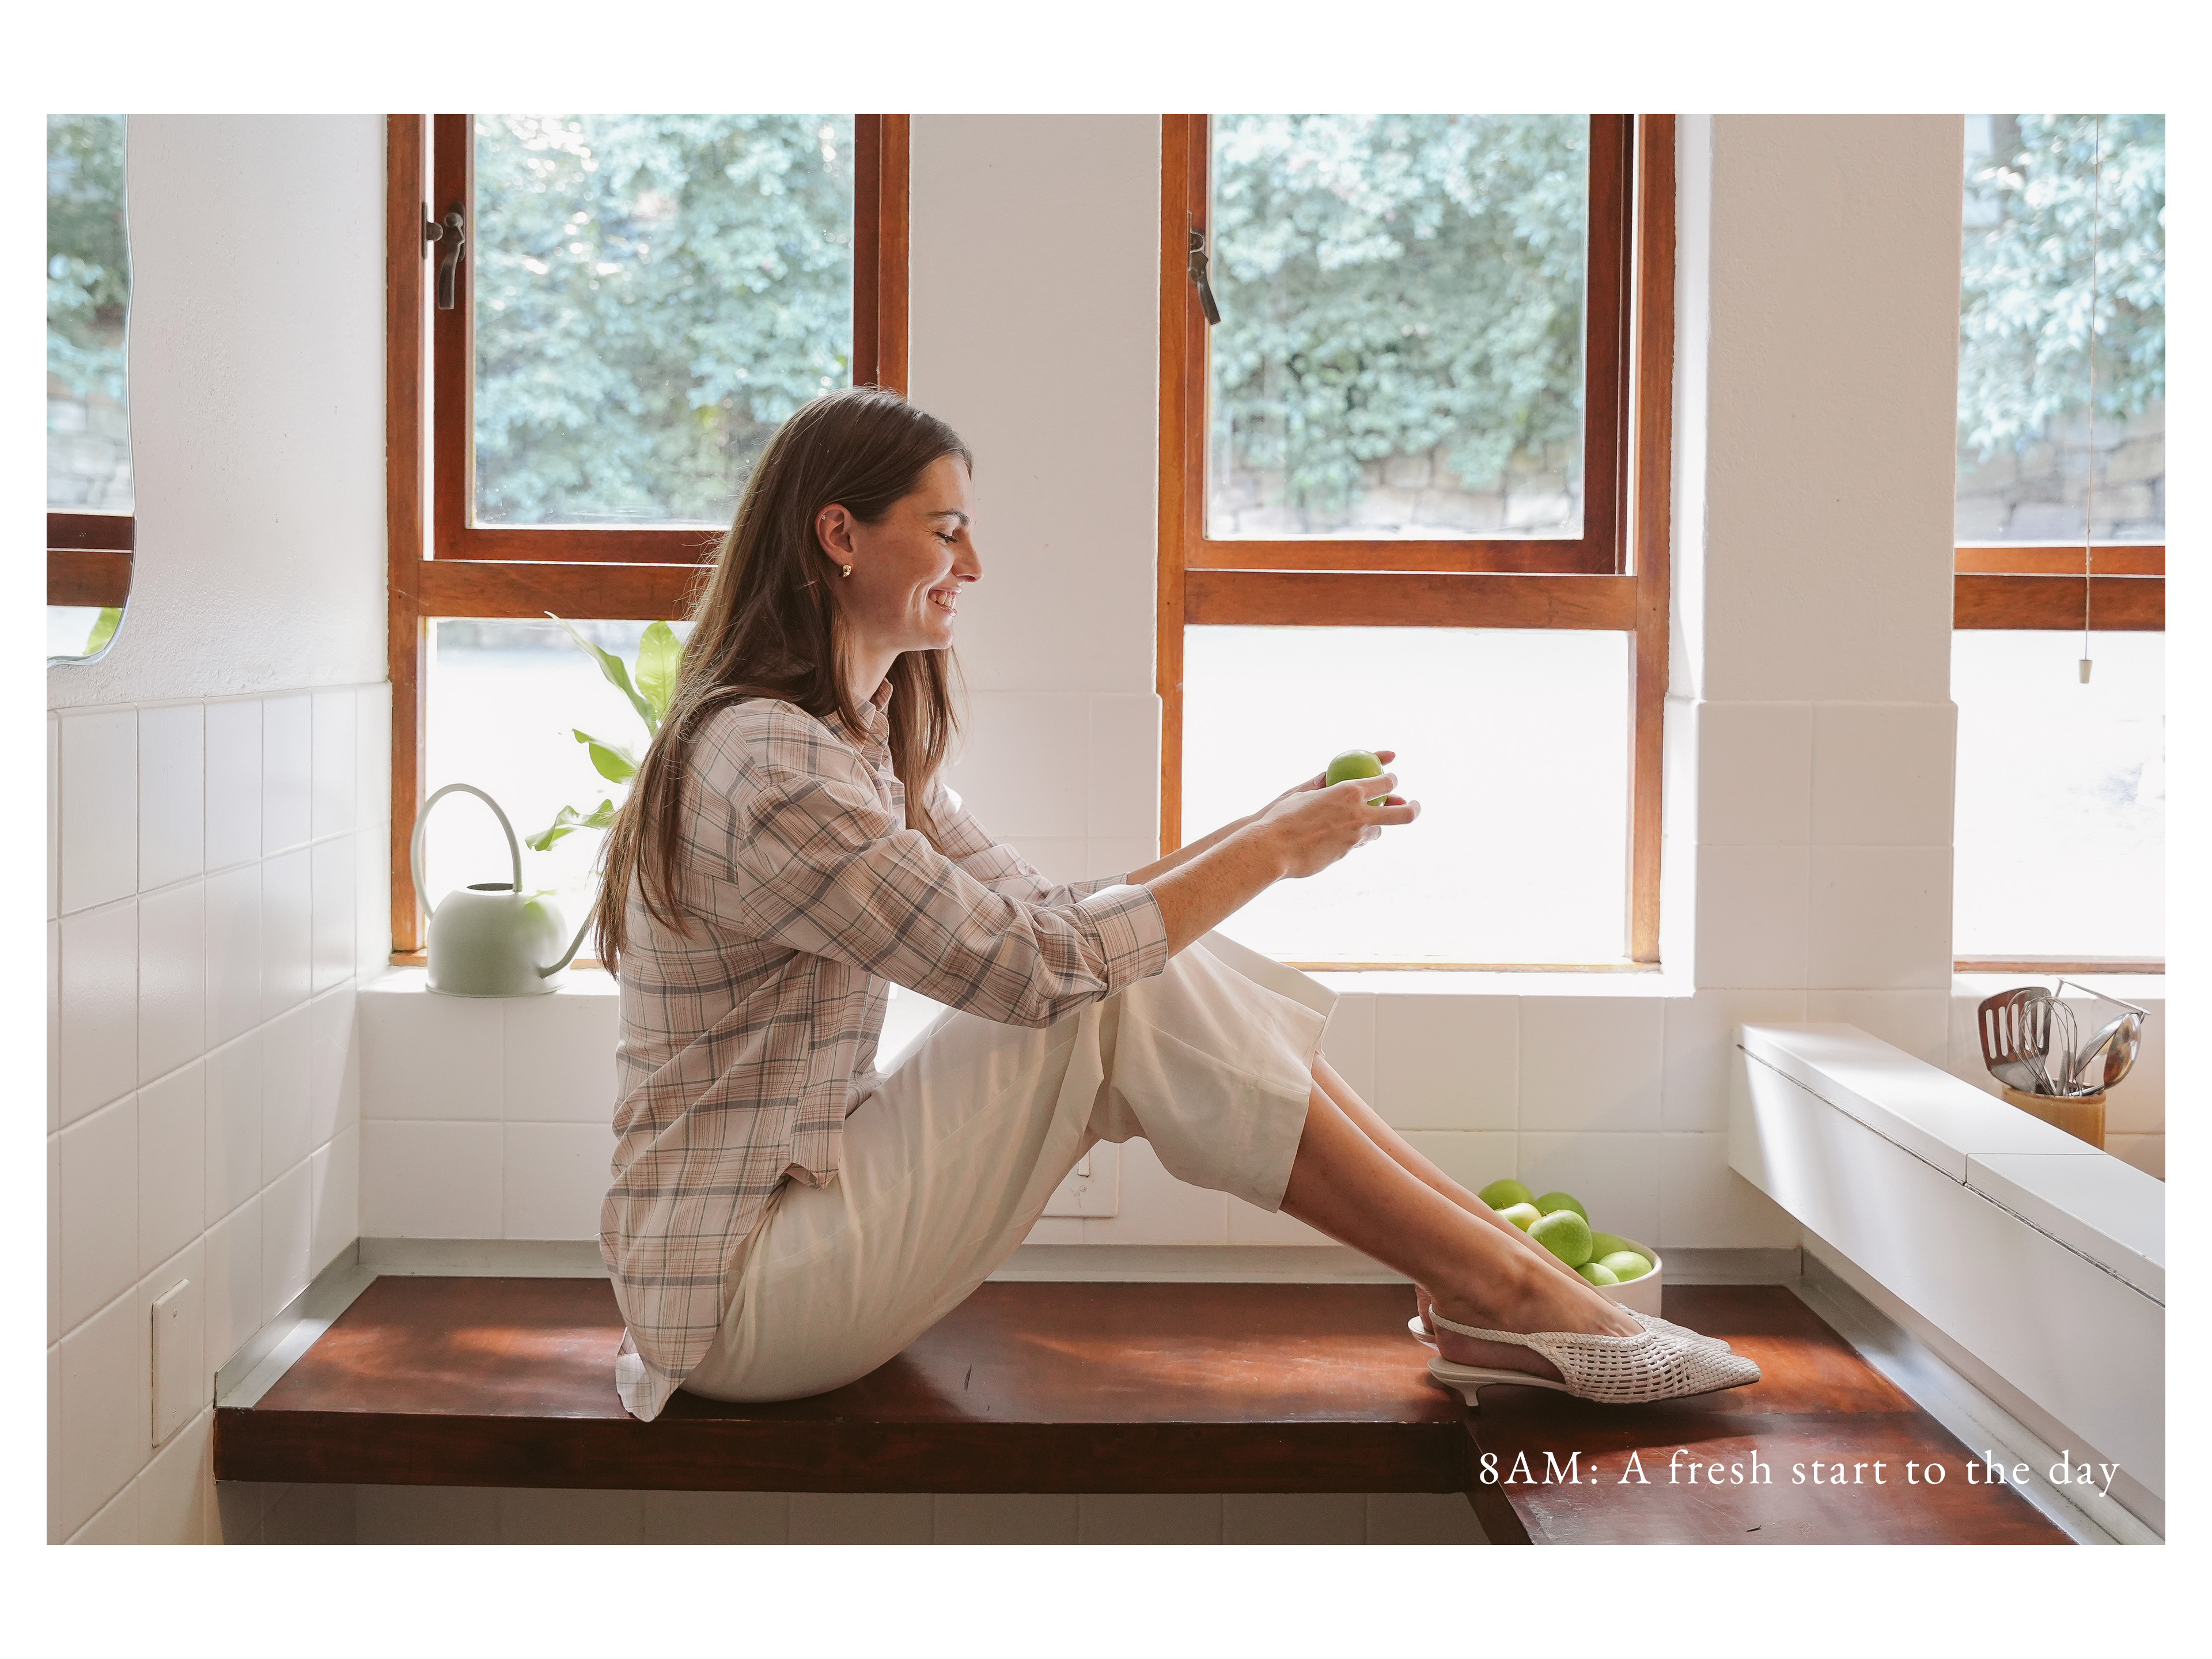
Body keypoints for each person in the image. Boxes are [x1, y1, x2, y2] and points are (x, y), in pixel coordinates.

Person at [593, 387, 1756, 1422]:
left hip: (791, 1244)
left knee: (1139, 967)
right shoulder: (772, 763)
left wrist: (1262, 828)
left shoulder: (851, 742)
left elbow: (1053, 915)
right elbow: (1031, 968)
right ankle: (1506, 1291)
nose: (975, 565)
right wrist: (1271, 856)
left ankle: (1506, 1275)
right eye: (946, 531)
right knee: (1120, 988)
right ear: (841, 535)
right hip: (733, 1299)